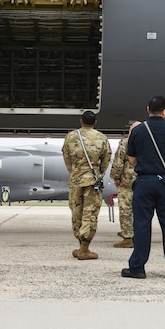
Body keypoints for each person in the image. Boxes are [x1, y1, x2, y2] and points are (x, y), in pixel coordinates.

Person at [121, 96, 165, 279]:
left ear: (147, 109)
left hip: (144, 181)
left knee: (142, 225)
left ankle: (137, 267)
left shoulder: (138, 131)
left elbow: (132, 159)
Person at [62, 110, 112, 260]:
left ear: (81, 121)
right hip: (92, 181)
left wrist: (75, 172)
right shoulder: (101, 138)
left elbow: (66, 159)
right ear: (95, 122)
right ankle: (84, 249)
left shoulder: (70, 137)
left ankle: (81, 245)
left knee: (76, 212)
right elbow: (106, 160)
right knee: (89, 213)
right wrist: (97, 173)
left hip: (76, 180)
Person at [110, 121, 140, 248]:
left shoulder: (126, 143)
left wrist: (116, 177)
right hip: (144, 180)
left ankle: (127, 237)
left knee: (126, 209)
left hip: (127, 181)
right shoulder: (148, 142)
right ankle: (139, 236)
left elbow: (118, 163)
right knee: (141, 210)